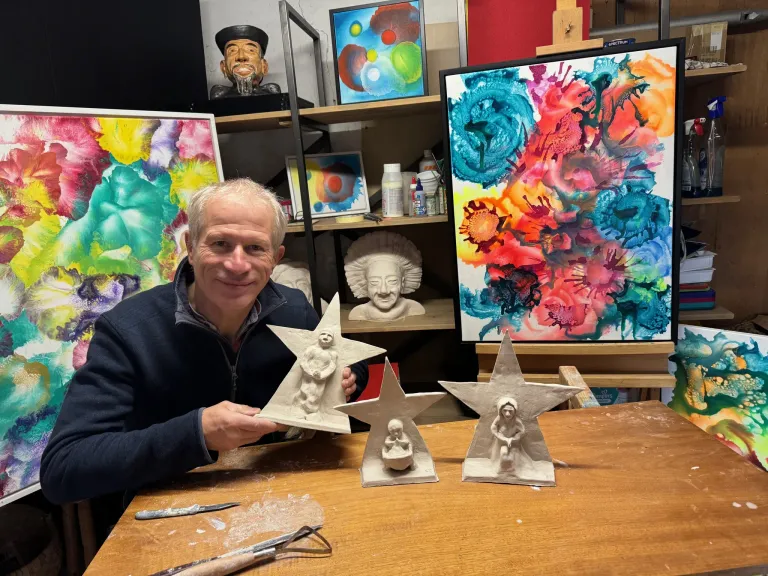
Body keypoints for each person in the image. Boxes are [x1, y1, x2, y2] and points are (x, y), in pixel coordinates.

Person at [40, 179, 368, 506]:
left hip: (277, 492)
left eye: (255, 248)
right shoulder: (128, 330)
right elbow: (63, 469)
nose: (237, 265)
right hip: (171, 505)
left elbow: (351, 366)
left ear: (276, 257)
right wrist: (197, 433)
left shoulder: (294, 309)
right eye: (221, 243)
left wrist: (349, 377)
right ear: (191, 247)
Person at [344, 231, 426, 321]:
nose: (383, 291)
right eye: (374, 282)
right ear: (365, 284)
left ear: (403, 282)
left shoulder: (415, 309)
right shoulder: (358, 313)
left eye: (392, 281)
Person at [210, 25, 281, 99]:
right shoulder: (219, 96)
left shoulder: (272, 93)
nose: (241, 57)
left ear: (264, 66)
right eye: (232, 51)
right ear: (223, 67)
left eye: (251, 50)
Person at [490, 397, 526, 472]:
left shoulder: (516, 421)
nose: (507, 414)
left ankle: (512, 471)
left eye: (510, 411)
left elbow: (522, 431)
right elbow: (493, 427)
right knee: (503, 453)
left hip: (513, 441)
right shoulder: (499, 418)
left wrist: (514, 438)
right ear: (500, 410)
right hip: (502, 440)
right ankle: (502, 470)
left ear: (515, 411)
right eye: (505, 410)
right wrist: (500, 436)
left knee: (513, 453)